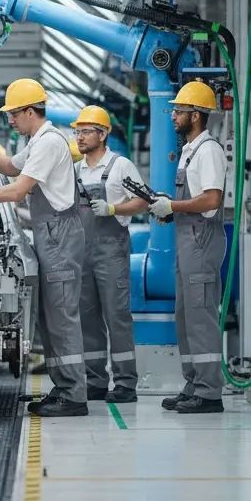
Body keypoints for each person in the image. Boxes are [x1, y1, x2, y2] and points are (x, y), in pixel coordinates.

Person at [0, 78, 88, 417]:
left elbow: (17, 190)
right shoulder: (38, 140)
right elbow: (12, 166)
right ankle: (65, 387)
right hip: (51, 235)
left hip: (60, 237)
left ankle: (75, 395)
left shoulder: (50, 142)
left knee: (62, 318)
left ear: (30, 111)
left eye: (13, 114)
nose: (9, 120)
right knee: (51, 317)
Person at [149, 81, 228, 413]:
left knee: (201, 319)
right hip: (187, 242)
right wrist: (171, 209)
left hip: (202, 241)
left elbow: (211, 200)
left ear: (195, 115)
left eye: (178, 111)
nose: (173, 117)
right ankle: (194, 384)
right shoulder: (190, 150)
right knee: (185, 318)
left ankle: (210, 393)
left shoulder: (208, 150)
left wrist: (174, 208)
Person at [72, 105, 148, 404]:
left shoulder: (121, 166)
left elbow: (143, 200)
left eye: (86, 131)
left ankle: (126, 383)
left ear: (103, 134)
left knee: (117, 317)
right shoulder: (76, 170)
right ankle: (96, 381)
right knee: (87, 319)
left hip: (111, 252)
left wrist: (114, 208)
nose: (80, 137)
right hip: (83, 254)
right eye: (77, 131)